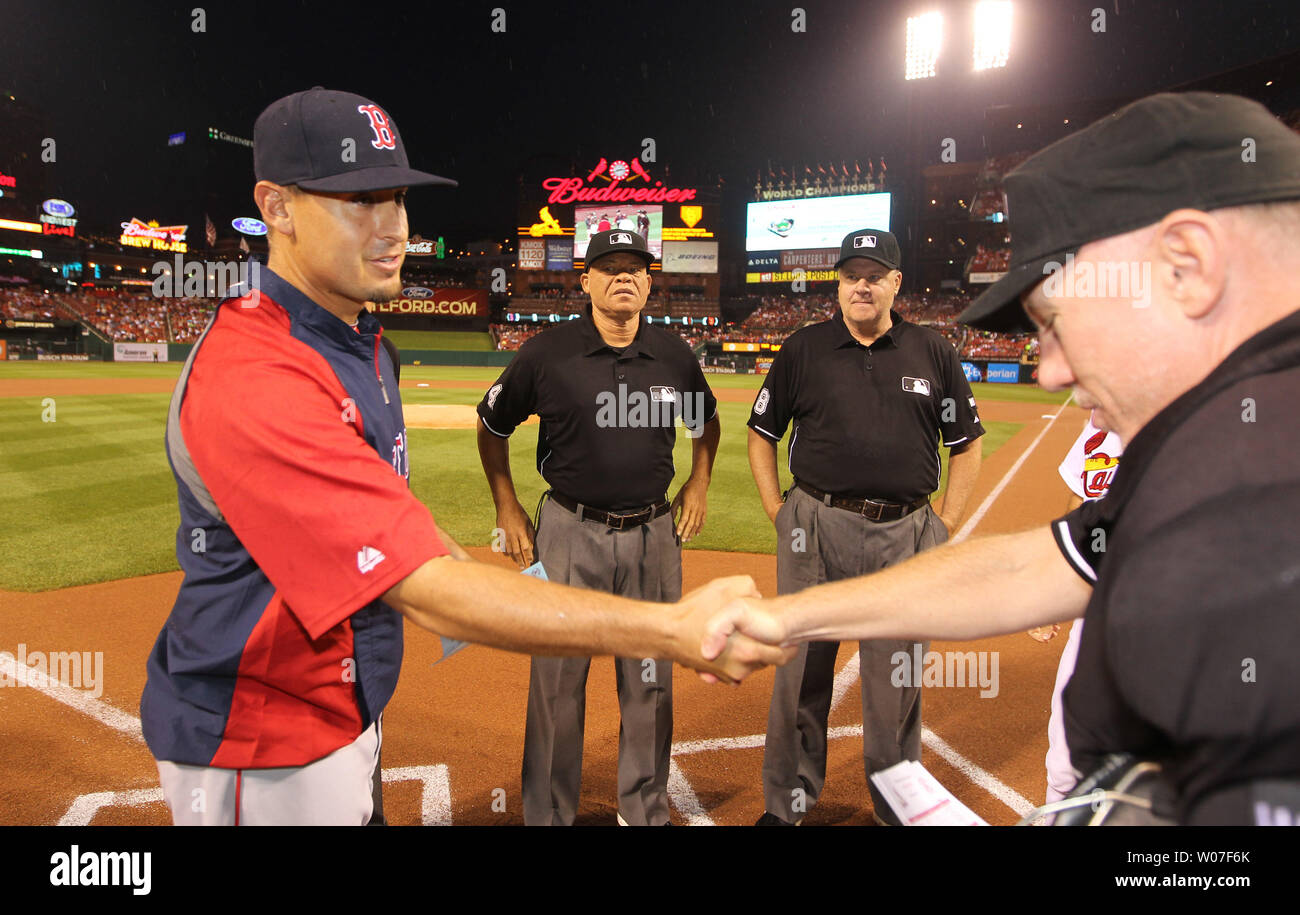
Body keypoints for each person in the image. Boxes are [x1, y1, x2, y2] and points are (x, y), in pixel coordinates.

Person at [139, 88, 784, 827]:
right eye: (360, 200)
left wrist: (465, 555)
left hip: (343, 704)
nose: (393, 229)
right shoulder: (258, 371)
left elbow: (385, 519)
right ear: (276, 208)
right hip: (264, 735)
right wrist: (671, 628)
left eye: (399, 200)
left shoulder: (359, 341)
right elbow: (422, 589)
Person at [709, 92, 1300, 825]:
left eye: (1053, 317)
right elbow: (1039, 566)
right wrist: (794, 616)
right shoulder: (1205, 444)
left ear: (1187, 264)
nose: (1047, 369)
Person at [477, 228, 721, 826]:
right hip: (568, 531)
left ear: (649, 282)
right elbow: (491, 425)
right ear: (585, 281)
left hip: (652, 536)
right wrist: (507, 507)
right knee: (558, 681)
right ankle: (550, 814)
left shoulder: (673, 355)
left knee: (650, 681)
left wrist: (698, 481)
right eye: (608, 268)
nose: (623, 278)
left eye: (635, 268)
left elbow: (705, 423)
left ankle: (642, 811)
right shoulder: (546, 353)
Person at [746, 228, 984, 826]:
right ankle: (789, 801)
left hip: (904, 534)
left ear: (895, 283)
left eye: (874, 275)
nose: (862, 285)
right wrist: (780, 511)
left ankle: (897, 808)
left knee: (893, 685)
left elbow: (966, 445)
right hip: (814, 528)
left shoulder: (932, 350)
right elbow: (761, 434)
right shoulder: (803, 348)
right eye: (852, 274)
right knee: (799, 673)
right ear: (838, 283)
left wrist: (945, 525)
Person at [1035, 419, 1122, 808]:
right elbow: (1078, 499)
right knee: (1066, 763)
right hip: (1092, 615)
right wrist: (1059, 584)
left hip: (1168, 624)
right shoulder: (1100, 423)